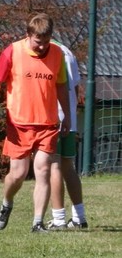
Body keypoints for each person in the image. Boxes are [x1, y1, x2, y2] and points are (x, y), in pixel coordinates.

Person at [0, 13, 70, 233]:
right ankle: (6, 203)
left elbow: (61, 87)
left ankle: (37, 223)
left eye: (46, 41)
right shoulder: (13, 51)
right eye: (37, 42)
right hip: (19, 123)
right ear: (28, 35)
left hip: (47, 123)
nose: (42, 46)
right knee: (18, 174)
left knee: (43, 169)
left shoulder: (58, 54)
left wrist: (67, 116)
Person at [48, 41, 88, 230]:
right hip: (69, 117)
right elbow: (77, 87)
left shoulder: (48, 51)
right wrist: (71, 111)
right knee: (68, 167)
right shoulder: (67, 51)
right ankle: (79, 217)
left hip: (53, 116)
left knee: (54, 166)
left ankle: (58, 219)